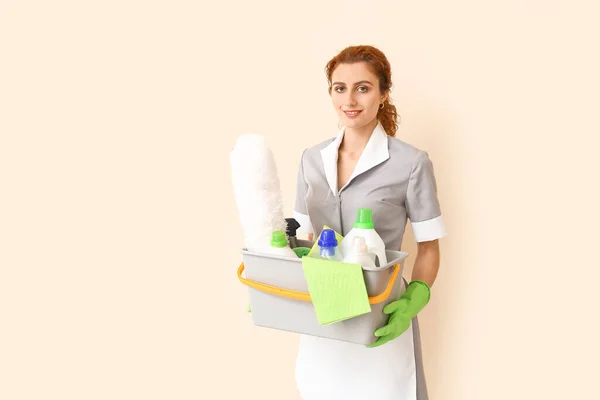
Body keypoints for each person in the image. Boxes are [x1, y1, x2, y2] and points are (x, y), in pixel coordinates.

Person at [292, 45, 447, 400]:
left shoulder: (410, 163)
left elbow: (429, 247)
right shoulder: (311, 159)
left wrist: (415, 298)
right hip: (322, 314)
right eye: (339, 87)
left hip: (379, 314)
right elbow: (298, 239)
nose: (350, 99)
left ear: (383, 93)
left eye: (363, 87)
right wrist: (272, 285)